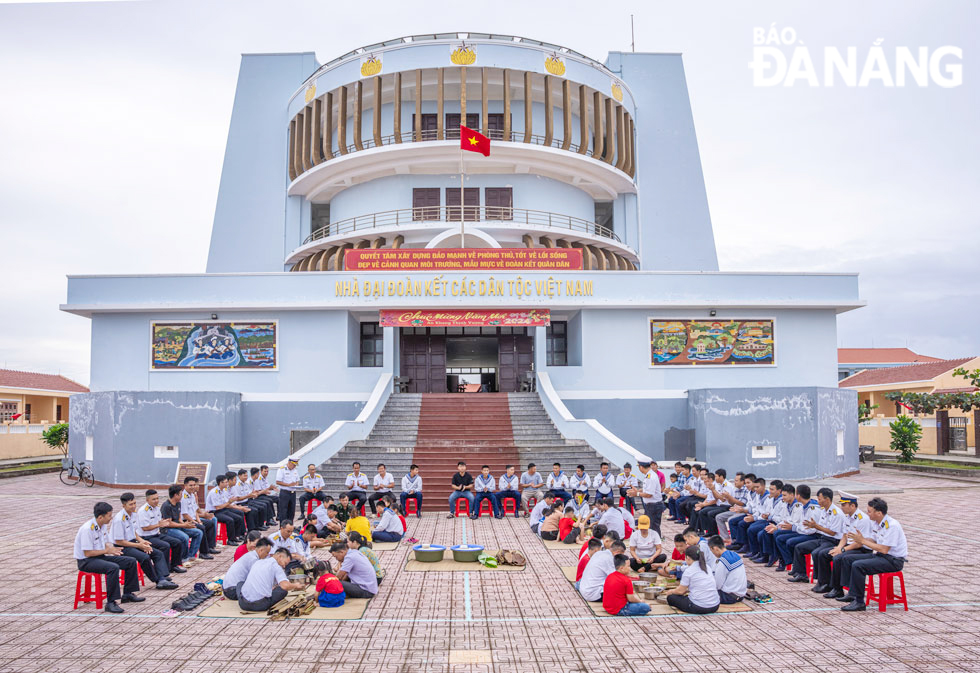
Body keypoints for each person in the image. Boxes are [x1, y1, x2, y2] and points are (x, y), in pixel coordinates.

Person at [835, 497, 909, 611]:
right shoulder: (876, 523)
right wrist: (860, 539)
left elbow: (884, 549)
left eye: (869, 511)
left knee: (858, 565)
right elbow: (873, 540)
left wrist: (863, 541)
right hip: (882, 556)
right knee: (848, 559)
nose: (867, 513)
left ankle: (859, 602)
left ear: (878, 513)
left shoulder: (892, 525)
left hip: (893, 560)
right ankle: (852, 593)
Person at [73, 501, 141, 613]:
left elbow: (106, 543)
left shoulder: (102, 526)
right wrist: (107, 550)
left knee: (130, 561)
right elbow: (88, 553)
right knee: (112, 568)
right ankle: (111, 602)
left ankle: (128, 594)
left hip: (100, 557)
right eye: (109, 515)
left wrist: (113, 550)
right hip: (86, 561)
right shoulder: (87, 529)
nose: (111, 518)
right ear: (100, 517)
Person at [111, 492, 178, 590]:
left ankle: (162, 577)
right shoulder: (119, 519)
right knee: (145, 557)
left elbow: (134, 532)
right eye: (130, 504)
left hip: (132, 542)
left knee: (157, 553)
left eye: (134, 503)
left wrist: (142, 541)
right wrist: (139, 545)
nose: (133, 506)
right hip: (122, 547)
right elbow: (119, 541)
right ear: (123, 505)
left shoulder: (133, 515)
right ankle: (158, 580)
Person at [812, 491, 875, 595]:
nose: (842, 507)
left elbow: (859, 543)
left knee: (839, 558)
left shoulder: (862, 519)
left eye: (844, 505)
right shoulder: (848, 516)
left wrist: (842, 550)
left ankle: (838, 589)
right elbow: (844, 536)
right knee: (825, 554)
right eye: (841, 504)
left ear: (853, 505)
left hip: (861, 549)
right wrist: (839, 548)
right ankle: (826, 583)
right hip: (850, 546)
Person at [786, 487, 846, 583]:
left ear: (826, 499)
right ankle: (801, 574)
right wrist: (814, 526)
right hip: (823, 538)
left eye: (819, 498)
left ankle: (823, 581)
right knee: (799, 547)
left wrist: (816, 526)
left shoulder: (836, 513)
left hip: (833, 540)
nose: (818, 501)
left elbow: (832, 532)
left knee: (818, 553)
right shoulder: (823, 510)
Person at [237, 547, 305, 612]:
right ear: (280, 556)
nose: (284, 566)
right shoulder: (276, 566)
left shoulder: (258, 562)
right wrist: (295, 585)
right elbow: (285, 586)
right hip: (260, 605)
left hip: (243, 604)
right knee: (282, 591)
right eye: (285, 563)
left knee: (240, 583)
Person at [135, 489, 186, 573]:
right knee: (165, 546)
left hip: (156, 534)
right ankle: (164, 570)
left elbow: (159, 522)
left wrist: (165, 522)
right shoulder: (143, 511)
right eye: (153, 499)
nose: (156, 501)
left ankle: (174, 565)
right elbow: (145, 528)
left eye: (157, 498)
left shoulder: (157, 508)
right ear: (147, 500)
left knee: (177, 542)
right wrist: (159, 525)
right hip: (146, 537)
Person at [162, 484, 211, 562]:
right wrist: (183, 525)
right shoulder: (166, 506)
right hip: (169, 530)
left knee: (198, 532)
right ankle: (184, 559)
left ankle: (191, 556)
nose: (182, 496)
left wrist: (186, 525)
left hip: (178, 526)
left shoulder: (178, 503)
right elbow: (169, 523)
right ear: (175, 495)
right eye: (181, 494)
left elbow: (178, 518)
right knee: (184, 537)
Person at [664, 546, 720, 614]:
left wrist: (671, 591)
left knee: (671, 598)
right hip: (715, 605)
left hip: (699, 607)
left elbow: (680, 591)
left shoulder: (689, 571)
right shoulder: (707, 567)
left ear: (687, 558)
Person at [177, 478, 219, 557]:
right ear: (185, 486)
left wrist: (199, 520)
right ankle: (203, 552)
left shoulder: (192, 495)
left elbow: (195, 510)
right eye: (190, 485)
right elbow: (185, 514)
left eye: (194, 485)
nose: (193, 487)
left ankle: (210, 546)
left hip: (194, 519)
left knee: (210, 523)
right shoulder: (183, 497)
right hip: (187, 520)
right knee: (201, 528)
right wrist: (196, 522)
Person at [223, 536, 272, 600]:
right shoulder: (253, 559)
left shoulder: (251, 555)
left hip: (229, 588)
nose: (267, 555)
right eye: (267, 552)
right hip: (232, 590)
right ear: (261, 550)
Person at [205, 474, 247, 543]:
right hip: (214, 512)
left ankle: (236, 536)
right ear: (220, 483)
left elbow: (226, 504)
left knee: (238, 517)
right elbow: (218, 507)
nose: (227, 483)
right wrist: (229, 502)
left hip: (223, 509)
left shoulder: (223, 491)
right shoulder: (214, 492)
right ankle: (230, 540)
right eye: (226, 482)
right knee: (230, 520)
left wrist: (237, 506)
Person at [628, 460, 665, 535]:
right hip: (651, 505)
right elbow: (648, 489)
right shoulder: (649, 475)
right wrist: (638, 490)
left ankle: (656, 543)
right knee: (650, 525)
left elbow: (649, 494)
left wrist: (637, 493)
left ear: (641, 467)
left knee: (653, 527)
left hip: (654, 505)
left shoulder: (650, 477)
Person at [708, 535, 746, 603]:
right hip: (740, 594)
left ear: (715, 548)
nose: (713, 554)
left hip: (729, 596)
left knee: (700, 594)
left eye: (712, 551)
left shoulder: (723, 561)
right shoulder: (735, 555)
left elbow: (717, 585)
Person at [275, 456, 302, 523]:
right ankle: (282, 526)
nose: (294, 466)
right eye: (293, 465)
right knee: (283, 511)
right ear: (289, 462)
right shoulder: (282, 469)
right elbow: (278, 481)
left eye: (295, 465)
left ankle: (290, 525)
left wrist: (297, 484)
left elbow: (297, 480)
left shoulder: (295, 470)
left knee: (291, 511)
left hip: (293, 493)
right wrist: (288, 485)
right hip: (285, 492)